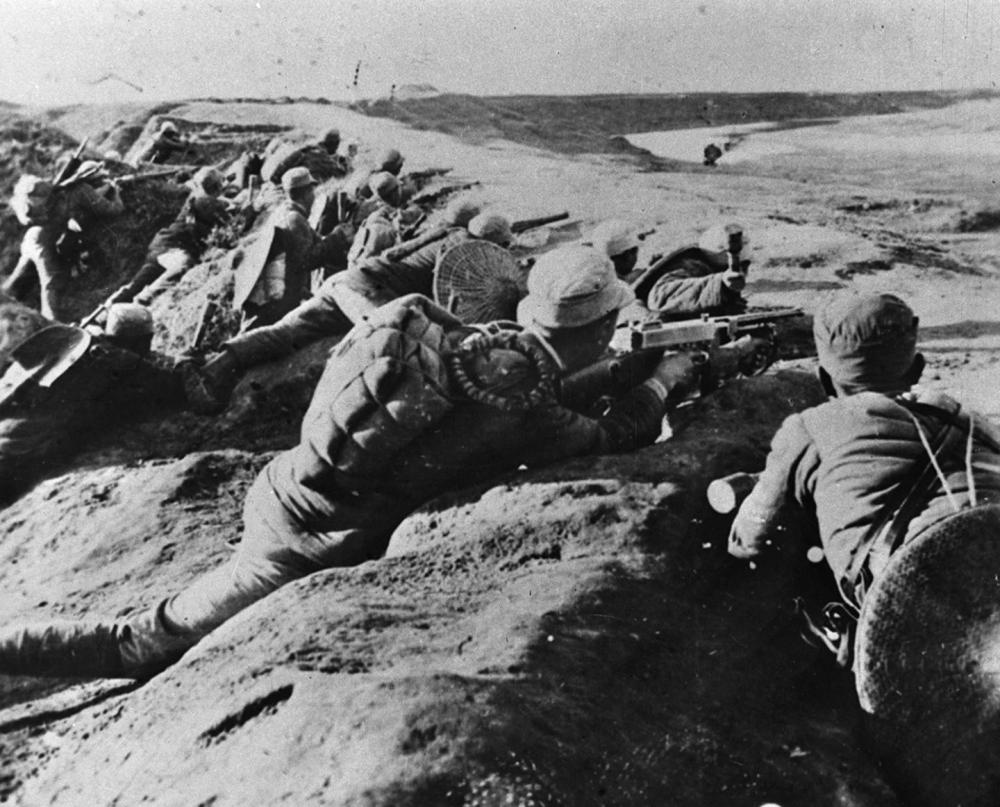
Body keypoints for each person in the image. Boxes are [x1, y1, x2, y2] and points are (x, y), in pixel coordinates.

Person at [0, 245, 755, 679]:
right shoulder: (524, 409)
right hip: (307, 545)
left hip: (281, 488)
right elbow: (607, 436)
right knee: (145, 641)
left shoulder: (439, 326)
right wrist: (664, 380)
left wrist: (624, 367)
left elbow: (516, 388)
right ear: (601, 326)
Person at [726, 293, 1000, 666]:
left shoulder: (809, 429)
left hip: (910, 623)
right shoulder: (966, 419)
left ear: (824, 380)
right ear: (917, 368)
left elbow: (750, 539)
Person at [182, 203, 508, 414]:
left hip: (345, 281)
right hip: (368, 289)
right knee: (394, 341)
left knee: (286, 332)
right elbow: (454, 295)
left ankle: (216, 366)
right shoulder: (461, 247)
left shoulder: (442, 233)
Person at [0, 303, 186, 502]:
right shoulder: (111, 357)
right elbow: (172, 388)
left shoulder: (30, 363)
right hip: (18, 466)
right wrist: (185, 362)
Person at [235, 167, 353, 332]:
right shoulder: (295, 219)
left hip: (271, 291)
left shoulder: (281, 213)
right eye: (312, 191)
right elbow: (306, 261)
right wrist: (337, 237)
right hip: (280, 297)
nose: (314, 196)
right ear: (306, 193)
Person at [3, 161, 124, 321]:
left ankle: (4, 304)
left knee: (16, 280)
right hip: (43, 243)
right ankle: (51, 323)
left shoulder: (59, 192)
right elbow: (114, 209)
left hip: (31, 238)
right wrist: (116, 192)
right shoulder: (82, 191)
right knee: (51, 284)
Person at [116, 167, 234, 307]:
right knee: (183, 263)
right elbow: (230, 224)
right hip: (172, 248)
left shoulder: (198, 197)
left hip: (163, 245)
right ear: (216, 186)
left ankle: (110, 306)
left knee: (138, 283)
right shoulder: (205, 201)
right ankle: (146, 296)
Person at [632, 222, 749, 320]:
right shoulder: (691, 266)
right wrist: (719, 283)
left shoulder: (709, 267)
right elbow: (660, 298)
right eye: (743, 265)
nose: (743, 272)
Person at [345, 172, 402, 269]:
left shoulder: (371, 216)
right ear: (395, 193)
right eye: (399, 188)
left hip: (354, 266)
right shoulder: (394, 219)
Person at [259, 127, 350, 186]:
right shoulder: (321, 155)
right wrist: (346, 162)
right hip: (284, 185)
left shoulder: (307, 147)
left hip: (273, 178)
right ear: (335, 144)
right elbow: (341, 175)